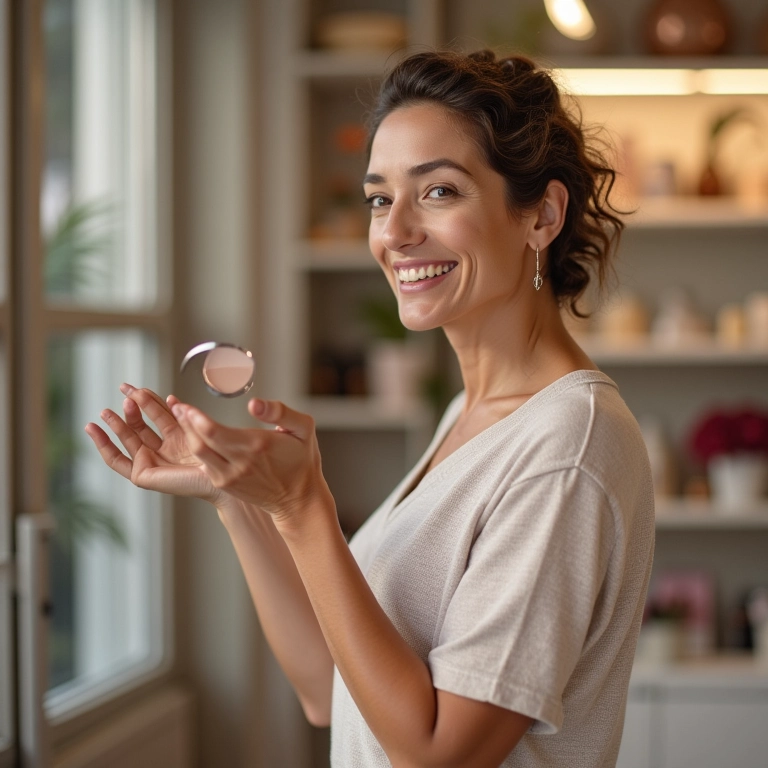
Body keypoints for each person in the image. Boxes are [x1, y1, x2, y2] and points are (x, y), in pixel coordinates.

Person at [86, 50, 655, 767]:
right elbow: (330, 690)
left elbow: (437, 755)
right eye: (380, 199)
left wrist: (304, 507)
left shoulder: (568, 446)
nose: (394, 233)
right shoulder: (470, 417)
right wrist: (240, 501)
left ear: (541, 214)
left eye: (439, 192)